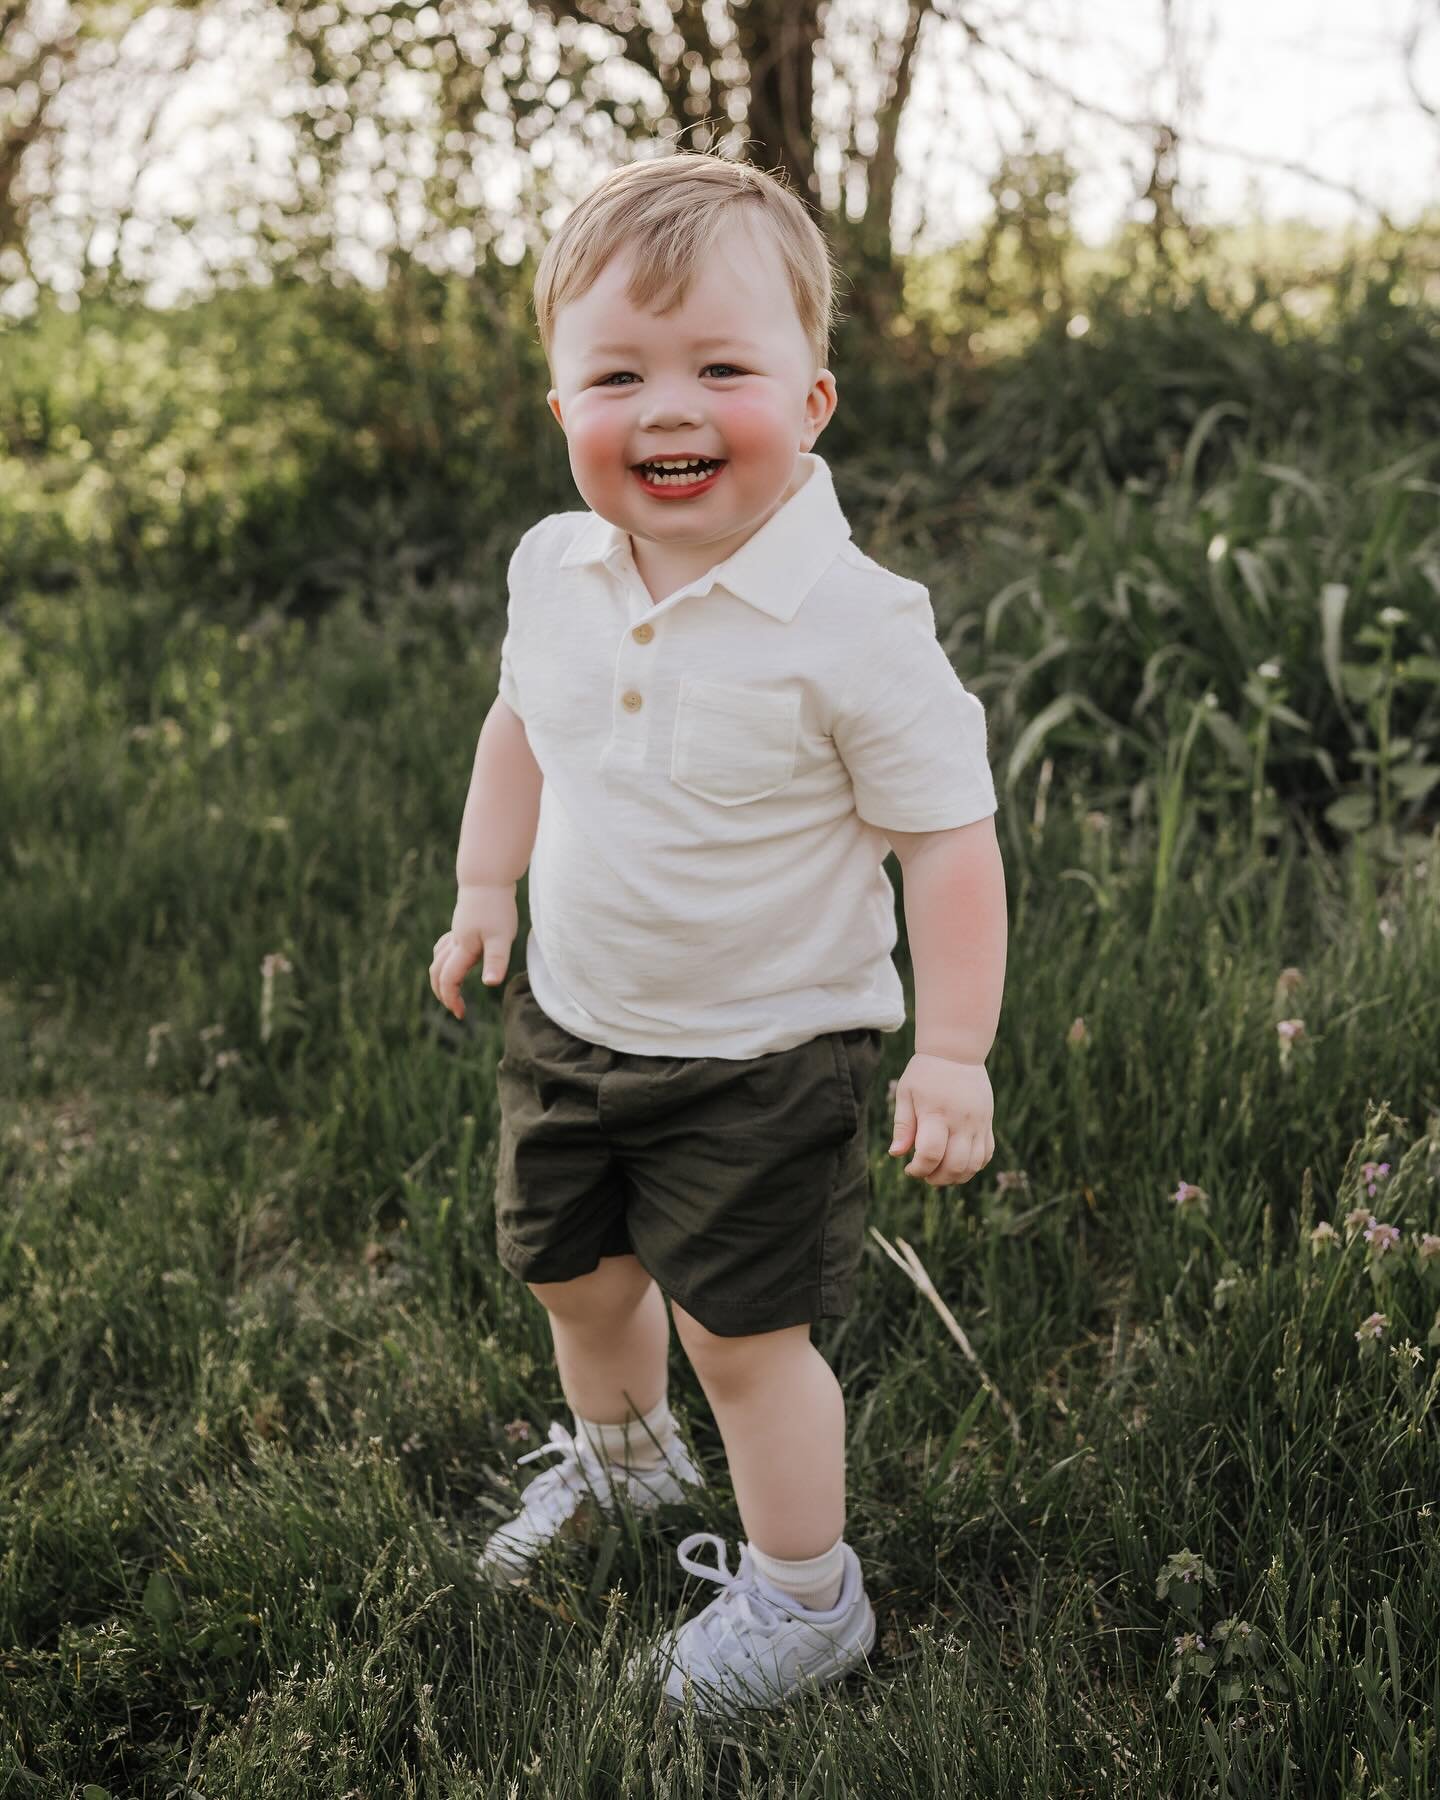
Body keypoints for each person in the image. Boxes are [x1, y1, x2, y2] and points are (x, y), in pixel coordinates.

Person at [428, 150, 1008, 1714]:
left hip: (763, 1056)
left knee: (741, 1335)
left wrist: (952, 1047)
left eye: (720, 368)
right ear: (561, 411)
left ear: (813, 400)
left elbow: (948, 838)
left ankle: (806, 1597)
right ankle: (622, 1467)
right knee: (575, 1277)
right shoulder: (556, 570)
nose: (666, 407)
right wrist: (491, 887)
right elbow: (521, 725)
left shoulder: (855, 625)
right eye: (617, 372)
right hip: (575, 1019)